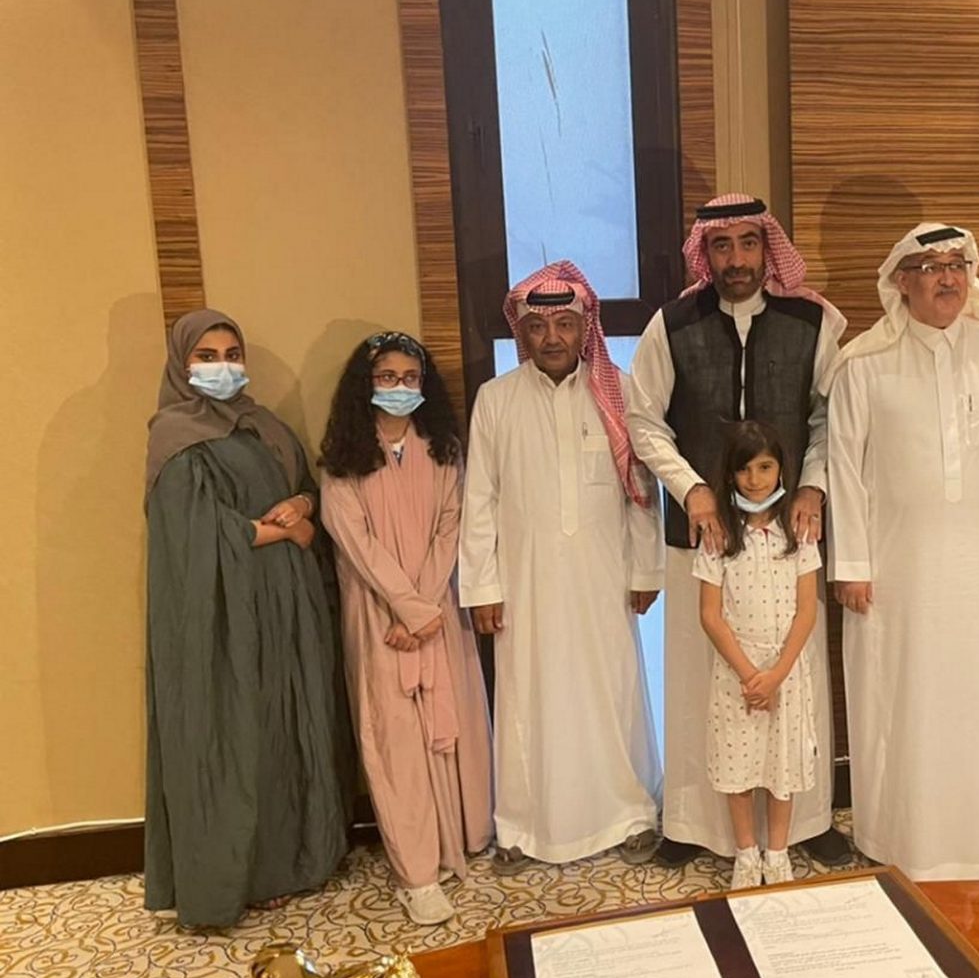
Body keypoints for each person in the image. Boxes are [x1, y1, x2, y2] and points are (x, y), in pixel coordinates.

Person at [826, 223, 979, 881]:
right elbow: (844, 468)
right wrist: (852, 565)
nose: (948, 278)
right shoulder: (863, 362)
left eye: (958, 264)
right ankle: (896, 837)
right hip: (896, 574)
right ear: (902, 281)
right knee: (901, 700)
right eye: (931, 267)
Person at [628, 193, 850, 868]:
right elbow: (643, 420)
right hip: (702, 538)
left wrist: (812, 484)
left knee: (793, 673)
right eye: (721, 247)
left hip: (790, 535)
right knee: (701, 679)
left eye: (749, 244)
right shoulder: (672, 325)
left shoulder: (811, 322)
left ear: (767, 247)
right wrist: (692, 489)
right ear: (705, 253)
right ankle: (692, 825)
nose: (736, 260)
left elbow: (831, 419)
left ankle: (805, 824)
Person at [143, 309, 348, 927]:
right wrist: (278, 533)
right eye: (206, 357)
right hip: (223, 613)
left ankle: (301, 857)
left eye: (231, 354)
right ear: (181, 364)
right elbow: (192, 531)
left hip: (288, 603)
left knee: (290, 719)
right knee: (239, 729)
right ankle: (246, 874)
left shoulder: (265, 424)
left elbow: (306, 484)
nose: (222, 367)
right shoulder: (174, 437)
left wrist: (302, 505)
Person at [459, 261, 665, 870]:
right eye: (539, 326)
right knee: (530, 698)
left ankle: (629, 814)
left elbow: (641, 491)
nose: (552, 337)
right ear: (522, 332)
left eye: (566, 324)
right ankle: (525, 827)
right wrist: (482, 586)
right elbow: (480, 499)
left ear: (584, 328)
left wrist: (646, 570)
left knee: (613, 691)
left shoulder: (618, 392)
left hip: (605, 580)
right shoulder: (496, 400)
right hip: (525, 585)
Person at [318, 331, 494, 925]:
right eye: (387, 377)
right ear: (365, 385)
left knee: (453, 726)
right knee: (394, 741)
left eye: (411, 378)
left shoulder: (442, 449)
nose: (400, 387)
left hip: (436, 609)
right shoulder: (344, 458)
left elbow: (451, 527)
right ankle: (417, 874)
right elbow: (353, 539)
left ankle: (463, 839)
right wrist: (406, 608)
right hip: (379, 616)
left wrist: (424, 606)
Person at [696, 422, 822, 889]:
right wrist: (751, 675)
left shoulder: (799, 534)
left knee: (780, 766)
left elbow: (807, 612)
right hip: (737, 676)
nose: (755, 479)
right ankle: (746, 854)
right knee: (739, 768)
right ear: (730, 474)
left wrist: (776, 674)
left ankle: (778, 853)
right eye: (744, 469)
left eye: (765, 467)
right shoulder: (718, 537)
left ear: (781, 469)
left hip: (785, 673)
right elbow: (710, 615)